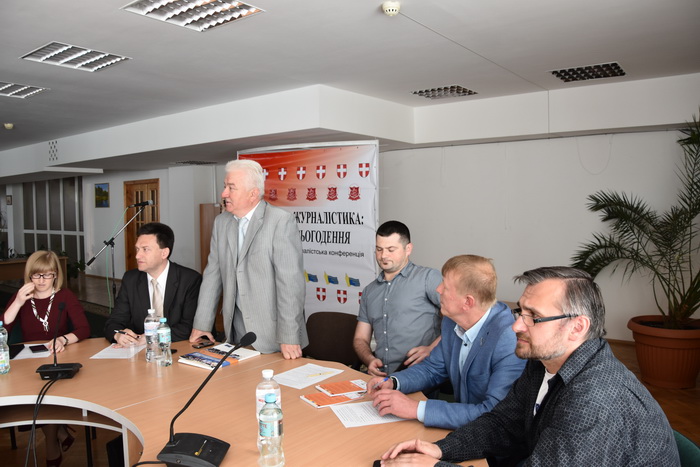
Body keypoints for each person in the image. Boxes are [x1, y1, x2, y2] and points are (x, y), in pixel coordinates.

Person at [379, 266, 680, 466]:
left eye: (533, 317)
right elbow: (502, 423)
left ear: (577, 327)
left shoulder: (595, 399)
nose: (516, 326)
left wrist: (435, 466)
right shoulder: (542, 361)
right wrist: (442, 449)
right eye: (519, 312)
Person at [368, 255, 525, 429]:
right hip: (461, 430)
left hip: (491, 439)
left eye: (445, 286)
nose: (438, 289)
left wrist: (416, 408)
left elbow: (494, 413)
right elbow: (432, 369)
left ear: (467, 302)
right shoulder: (452, 321)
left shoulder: (508, 339)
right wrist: (393, 382)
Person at [189, 159, 308, 358]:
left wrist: (289, 336)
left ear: (253, 194)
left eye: (231, 188)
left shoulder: (280, 221)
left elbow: (290, 285)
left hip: (273, 336)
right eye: (224, 186)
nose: (224, 193)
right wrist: (202, 323)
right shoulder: (221, 222)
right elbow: (212, 276)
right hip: (235, 333)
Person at [1, 250, 90, 466]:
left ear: (55, 275)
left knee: (48, 393)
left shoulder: (64, 296)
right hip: (27, 361)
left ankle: (51, 444)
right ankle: (60, 432)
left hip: (58, 356)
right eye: (36, 275)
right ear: (29, 275)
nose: (41, 280)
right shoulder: (22, 296)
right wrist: (18, 302)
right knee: (29, 391)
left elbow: (84, 328)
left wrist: (64, 339)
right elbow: (3, 328)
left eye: (47, 275)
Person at [353, 221, 442, 377]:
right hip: (380, 377)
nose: (383, 256)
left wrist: (431, 348)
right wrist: (369, 360)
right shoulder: (369, 291)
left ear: (408, 249)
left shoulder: (428, 278)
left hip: (420, 374)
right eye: (379, 249)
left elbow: (460, 319)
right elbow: (360, 338)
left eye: (391, 249)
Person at [104, 222, 202, 346]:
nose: (137, 256)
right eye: (137, 249)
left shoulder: (190, 279)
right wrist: (118, 335)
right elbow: (115, 321)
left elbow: (191, 326)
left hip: (179, 347)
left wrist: (154, 337)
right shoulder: (131, 279)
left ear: (164, 253)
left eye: (145, 249)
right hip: (141, 350)